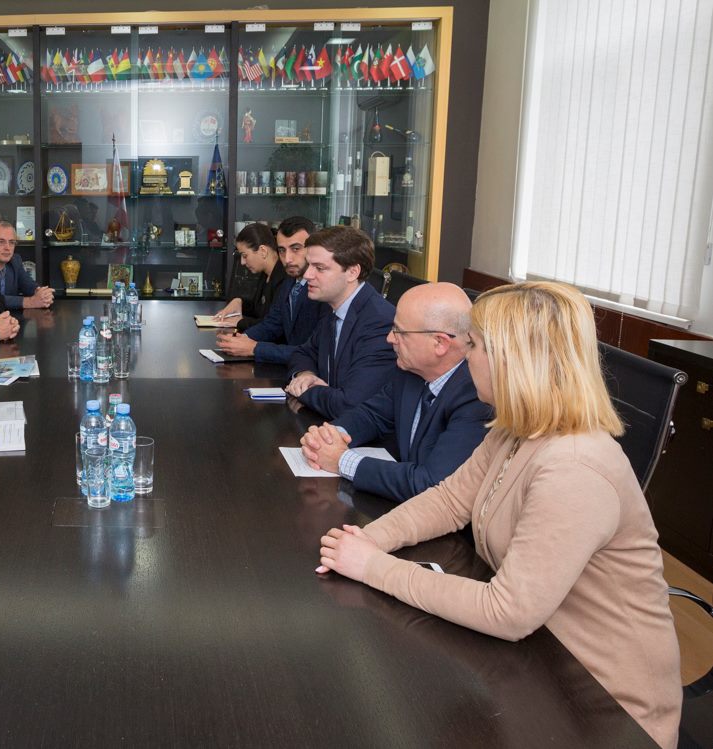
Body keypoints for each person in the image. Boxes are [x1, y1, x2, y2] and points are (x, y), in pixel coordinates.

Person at [315, 281, 681, 748]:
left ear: (510, 360)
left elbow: (507, 612)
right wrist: (370, 539)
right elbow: (449, 500)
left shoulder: (574, 466)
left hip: (601, 706)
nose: (465, 357)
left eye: (474, 346)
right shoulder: (514, 429)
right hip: (538, 662)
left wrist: (373, 567)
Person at [300, 282, 491, 502]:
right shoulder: (411, 369)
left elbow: (431, 483)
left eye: (399, 331)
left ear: (439, 343)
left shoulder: (476, 395)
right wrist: (327, 437)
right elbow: (372, 415)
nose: (390, 338)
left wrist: (342, 461)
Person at [283, 225, 396, 419]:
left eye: (319, 268)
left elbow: (349, 405)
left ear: (352, 272)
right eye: (309, 265)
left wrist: (306, 390)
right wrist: (306, 375)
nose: (307, 275)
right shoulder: (334, 306)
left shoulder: (379, 323)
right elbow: (303, 352)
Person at [215, 215, 325, 363]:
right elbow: (272, 324)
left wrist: (255, 348)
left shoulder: (323, 290)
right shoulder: (290, 282)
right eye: (282, 250)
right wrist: (241, 339)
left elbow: (313, 352)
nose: (287, 259)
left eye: (296, 249)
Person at [211, 223, 287, 331]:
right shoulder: (265, 274)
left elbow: (273, 325)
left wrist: (240, 322)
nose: (242, 262)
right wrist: (239, 302)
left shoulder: (283, 279)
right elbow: (258, 310)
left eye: (245, 255)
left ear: (263, 251)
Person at [0, 221, 54, 311]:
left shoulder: (15, 261)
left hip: (10, 317)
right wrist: (30, 302)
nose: (7, 247)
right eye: (1, 242)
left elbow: (29, 285)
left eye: (12, 242)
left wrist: (42, 294)